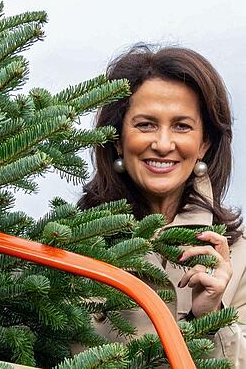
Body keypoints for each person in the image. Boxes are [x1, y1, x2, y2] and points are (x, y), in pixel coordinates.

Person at [78, 45, 246, 365]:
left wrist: (208, 318)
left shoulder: (240, 257)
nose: (164, 144)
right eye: (146, 125)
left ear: (204, 144)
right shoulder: (67, 243)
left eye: (182, 126)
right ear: (117, 139)